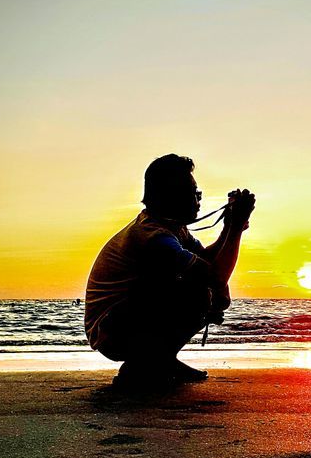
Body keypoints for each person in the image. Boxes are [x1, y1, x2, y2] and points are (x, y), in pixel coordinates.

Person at [84, 154, 255, 386]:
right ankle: (146, 362)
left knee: (205, 291)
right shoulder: (154, 237)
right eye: (194, 194)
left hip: (119, 324)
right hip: (111, 333)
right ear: (171, 196)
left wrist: (228, 229)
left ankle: (161, 359)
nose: (198, 200)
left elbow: (205, 259)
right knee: (200, 292)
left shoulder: (171, 228)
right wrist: (235, 229)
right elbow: (214, 277)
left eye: (198, 194)